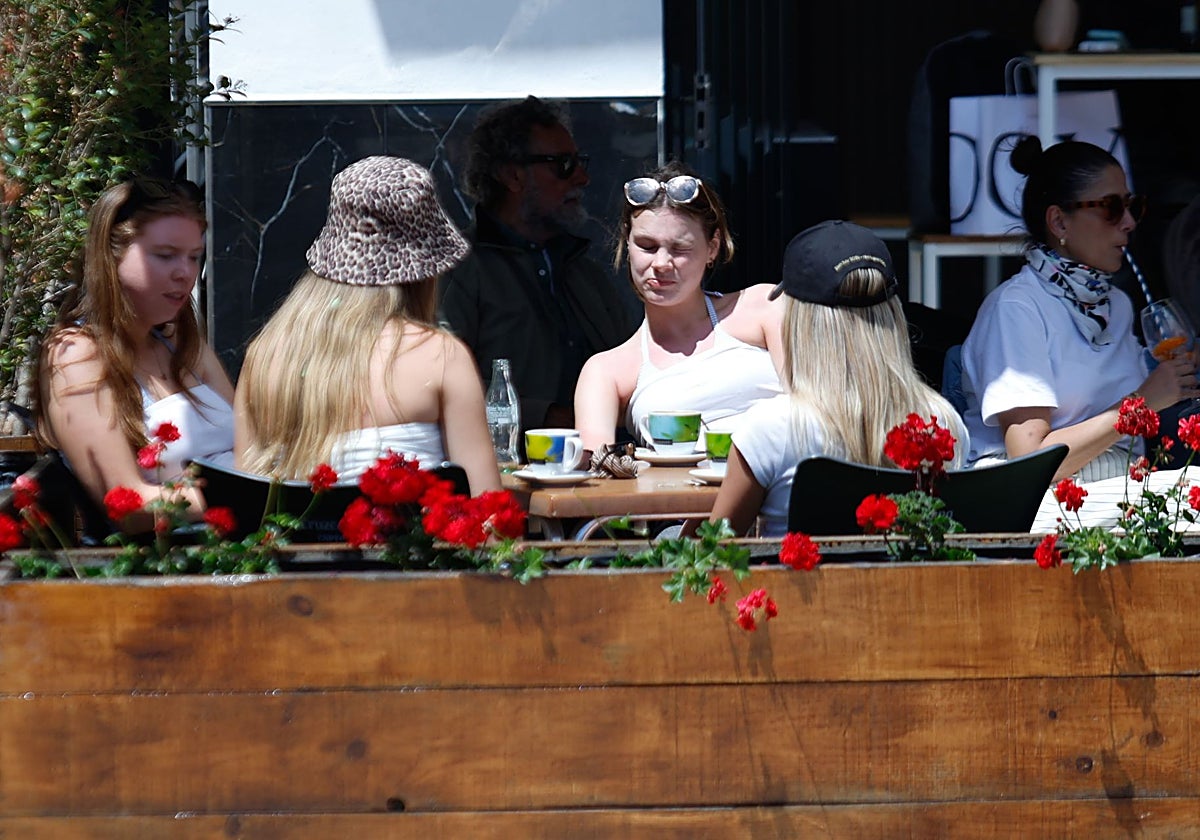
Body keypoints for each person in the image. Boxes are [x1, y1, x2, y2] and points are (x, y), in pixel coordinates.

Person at [234, 156, 501, 495]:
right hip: (408, 548)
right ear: (424, 271)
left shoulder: (265, 356)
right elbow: (487, 517)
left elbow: (245, 506)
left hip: (290, 548)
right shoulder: (440, 357)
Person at [961, 137, 1197, 488]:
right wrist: (1141, 403)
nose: (1129, 221)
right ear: (1059, 222)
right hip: (1042, 503)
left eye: (1133, 206)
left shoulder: (1115, 304)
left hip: (1118, 493)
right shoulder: (1017, 308)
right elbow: (1028, 462)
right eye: (1111, 208)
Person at [707, 220, 968, 538]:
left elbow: (713, 553)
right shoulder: (943, 423)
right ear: (893, 315)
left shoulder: (770, 428)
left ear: (802, 320)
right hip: (906, 587)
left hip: (797, 586)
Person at [35, 177, 235, 529]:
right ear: (111, 258)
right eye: (165, 255)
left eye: (194, 257)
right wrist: (247, 497)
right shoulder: (74, 355)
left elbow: (251, 446)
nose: (184, 273)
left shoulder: (181, 341)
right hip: (169, 564)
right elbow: (126, 504)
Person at [439, 95, 634, 432]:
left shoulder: (583, 271)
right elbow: (434, 385)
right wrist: (541, 416)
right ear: (512, 176)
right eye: (563, 164)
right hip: (508, 473)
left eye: (580, 161)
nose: (582, 178)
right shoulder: (459, 269)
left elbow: (631, 366)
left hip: (602, 468)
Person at [573, 162, 785, 452]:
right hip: (677, 496)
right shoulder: (606, 371)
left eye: (680, 249)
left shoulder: (764, 306)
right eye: (647, 246)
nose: (660, 264)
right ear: (627, 242)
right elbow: (594, 472)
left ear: (712, 247)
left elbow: (816, 413)